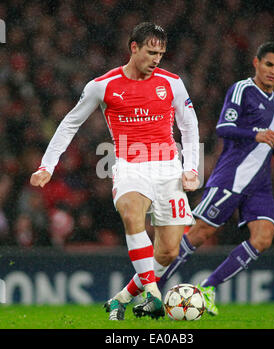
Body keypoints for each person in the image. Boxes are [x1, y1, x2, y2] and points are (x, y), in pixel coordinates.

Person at [30, 22, 200, 320]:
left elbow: (189, 126)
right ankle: (154, 294)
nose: (156, 59)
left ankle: (120, 299)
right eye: (150, 52)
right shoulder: (102, 85)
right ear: (133, 48)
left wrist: (192, 169)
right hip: (129, 165)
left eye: (160, 53)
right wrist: (47, 165)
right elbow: (70, 123)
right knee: (132, 214)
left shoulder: (172, 82)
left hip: (168, 167)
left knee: (169, 252)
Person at [156, 42, 274, 315]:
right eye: (268, 64)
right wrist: (256, 134)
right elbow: (224, 127)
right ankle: (153, 287)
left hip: (260, 183)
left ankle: (208, 287)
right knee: (199, 233)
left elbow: (260, 138)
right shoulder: (243, 89)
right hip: (233, 176)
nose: (272, 71)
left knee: (264, 238)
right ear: (256, 63)